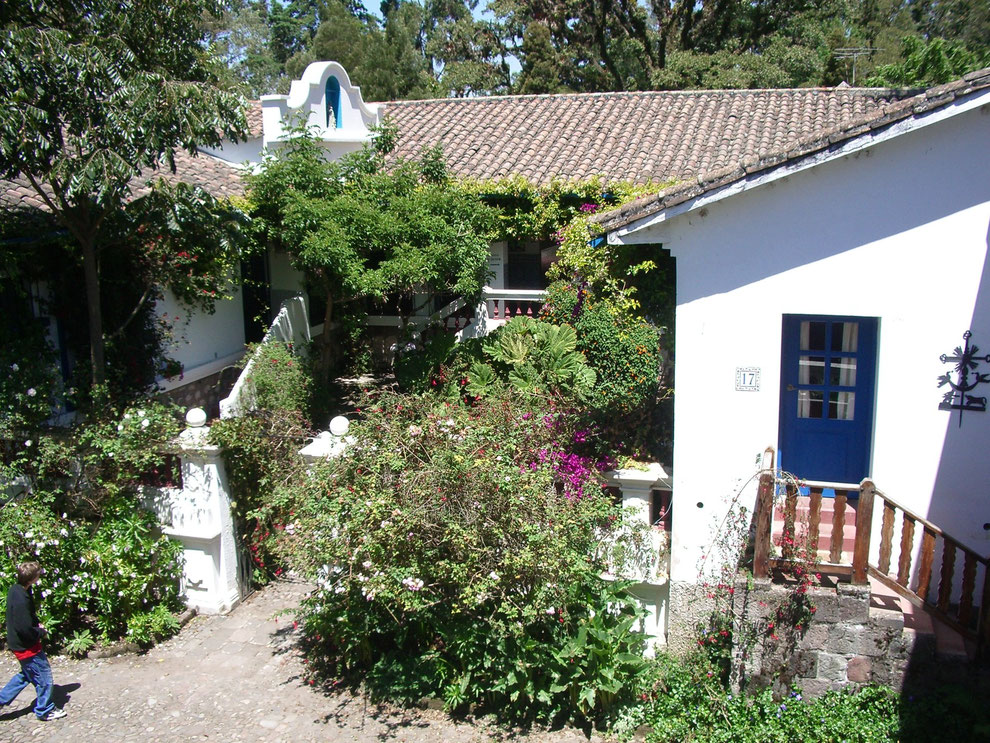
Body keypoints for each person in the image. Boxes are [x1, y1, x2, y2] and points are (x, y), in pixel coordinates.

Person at [0, 561, 66, 720]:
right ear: (31, 579)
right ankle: (45, 710)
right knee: (44, 676)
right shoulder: (22, 599)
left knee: (26, 675)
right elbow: (24, 629)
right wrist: (40, 632)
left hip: (18, 645)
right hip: (27, 647)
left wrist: (35, 625)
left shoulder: (16, 590)